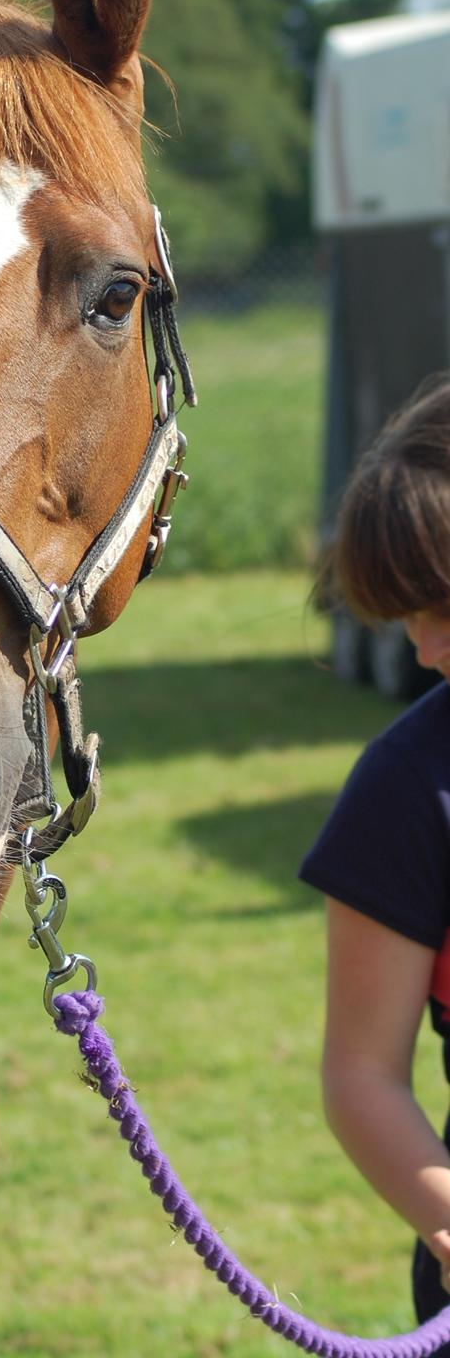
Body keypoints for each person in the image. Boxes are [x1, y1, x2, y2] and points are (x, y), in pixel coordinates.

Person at [300, 374, 450, 1339]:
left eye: (445, 603)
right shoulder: (404, 790)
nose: (428, 651)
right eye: (406, 615)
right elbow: (363, 1076)